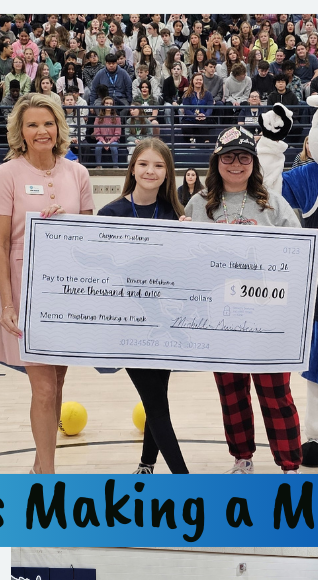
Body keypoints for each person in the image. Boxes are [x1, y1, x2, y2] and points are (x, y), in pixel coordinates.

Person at [186, 127, 318, 472]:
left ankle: (289, 464)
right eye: (228, 157)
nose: (235, 164)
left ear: (253, 162)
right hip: (219, 318)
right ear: (216, 161)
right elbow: (188, 262)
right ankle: (243, 458)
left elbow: (300, 256)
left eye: (243, 157)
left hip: (268, 317)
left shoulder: (274, 203)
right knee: (232, 393)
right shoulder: (198, 204)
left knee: (275, 393)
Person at [0, 94, 94, 474]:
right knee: (44, 389)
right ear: (20, 131)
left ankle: (38, 465)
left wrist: (68, 221)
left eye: (47, 123)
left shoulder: (78, 173)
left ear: (58, 127)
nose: (41, 131)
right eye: (32, 124)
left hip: (67, 287)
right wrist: (6, 302)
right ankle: (47, 479)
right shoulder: (6, 174)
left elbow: (90, 237)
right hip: (24, 284)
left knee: (58, 383)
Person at [97, 139, 190, 474]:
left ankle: (147, 463)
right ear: (132, 167)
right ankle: (184, 480)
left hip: (164, 323)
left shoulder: (177, 215)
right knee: (156, 401)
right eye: (144, 164)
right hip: (128, 326)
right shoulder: (109, 213)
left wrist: (189, 241)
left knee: (157, 397)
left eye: (159, 165)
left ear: (168, 173)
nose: (151, 171)